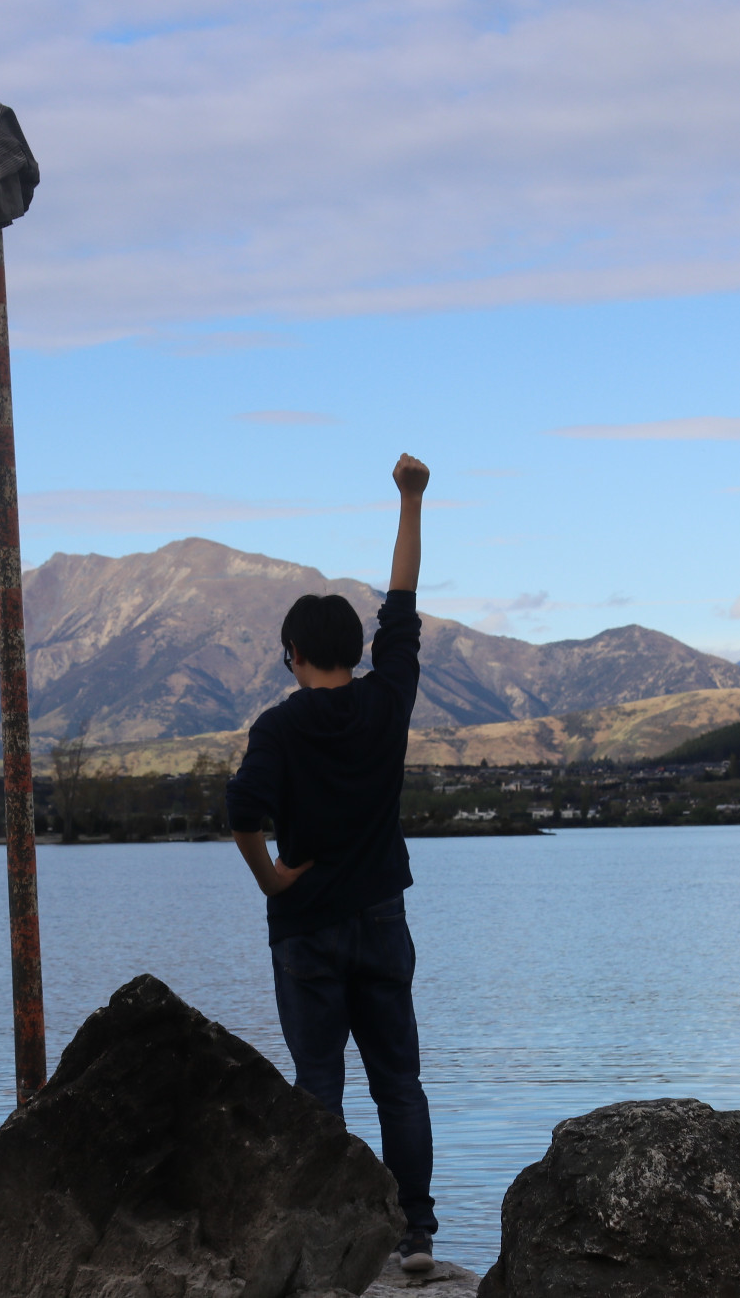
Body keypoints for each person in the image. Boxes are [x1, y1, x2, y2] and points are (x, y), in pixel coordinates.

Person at [225, 452, 437, 1272]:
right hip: (383, 916)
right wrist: (411, 500)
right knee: (400, 1084)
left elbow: (242, 814)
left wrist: (270, 876)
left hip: (305, 926)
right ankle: (415, 1234)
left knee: (319, 1089)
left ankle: (328, 1244)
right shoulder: (389, 701)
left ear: (291, 654)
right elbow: (405, 602)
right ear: (358, 646)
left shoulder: (278, 729)